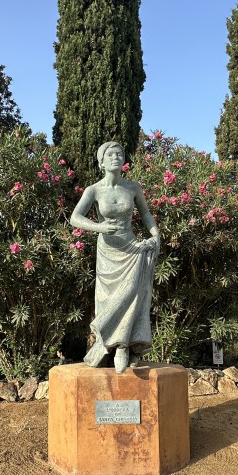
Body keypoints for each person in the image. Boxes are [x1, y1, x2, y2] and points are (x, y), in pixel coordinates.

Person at [70, 141, 160, 373]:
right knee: (110, 300)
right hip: (108, 253)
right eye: (110, 154)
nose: (116, 157)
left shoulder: (133, 188)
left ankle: (125, 346)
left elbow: (146, 213)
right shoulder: (94, 190)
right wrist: (99, 227)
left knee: (132, 294)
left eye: (119, 153)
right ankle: (110, 345)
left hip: (131, 248)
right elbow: (75, 218)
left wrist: (155, 235)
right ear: (101, 161)